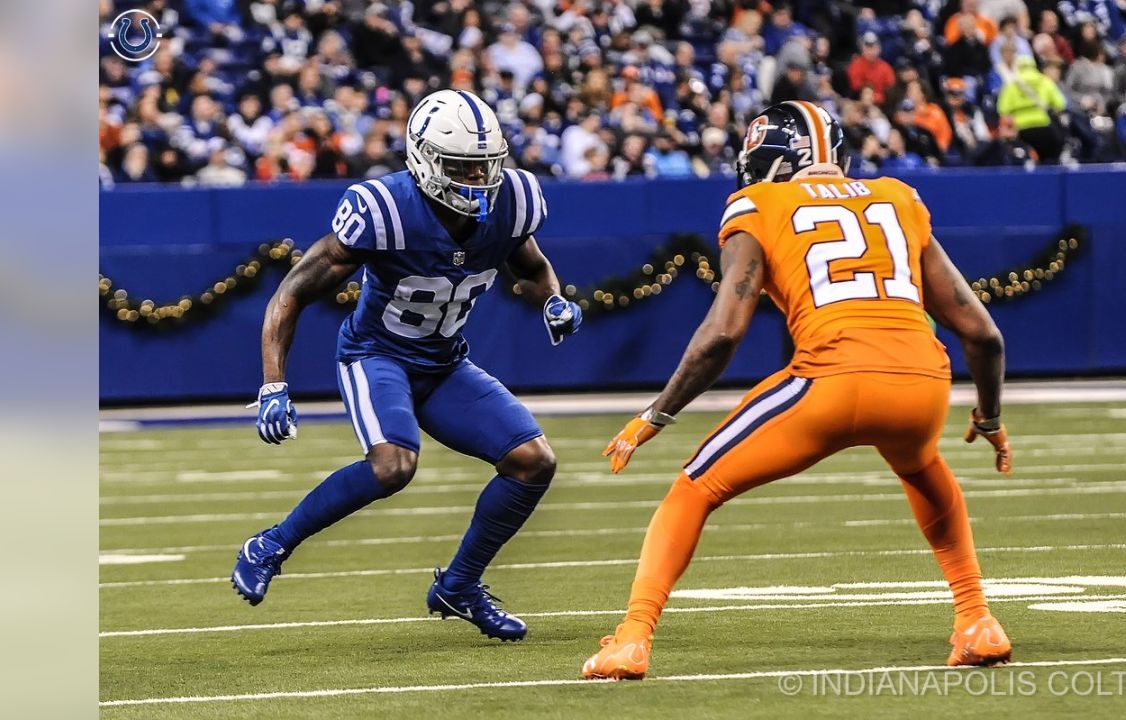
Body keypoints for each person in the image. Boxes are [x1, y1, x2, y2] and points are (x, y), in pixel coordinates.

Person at [581, 100, 1014, 680]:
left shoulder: (757, 202)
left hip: (829, 382)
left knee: (692, 489)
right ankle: (977, 620)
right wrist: (987, 416)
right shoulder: (898, 196)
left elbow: (722, 333)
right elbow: (982, 333)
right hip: (922, 384)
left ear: (777, 161)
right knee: (922, 467)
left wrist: (657, 413)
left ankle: (632, 639)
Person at [231, 90, 583, 643]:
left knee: (533, 461)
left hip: (445, 363)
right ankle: (271, 543)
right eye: (463, 165)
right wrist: (274, 382)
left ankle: (460, 585)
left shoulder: (511, 202)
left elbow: (533, 265)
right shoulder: (386, 208)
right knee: (393, 465)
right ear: (423, 158)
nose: (478, 177)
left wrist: (552, 299)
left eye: (486, 165)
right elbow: (293, 292)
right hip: (377, 355)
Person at [997, 55, 1067, 162]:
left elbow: (1002, 109)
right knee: (1049, 157)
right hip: (1043, 126)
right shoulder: (1044, 81)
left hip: (1021, 129)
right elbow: (1060, 104)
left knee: (1024, 159)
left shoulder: (1011, 85)